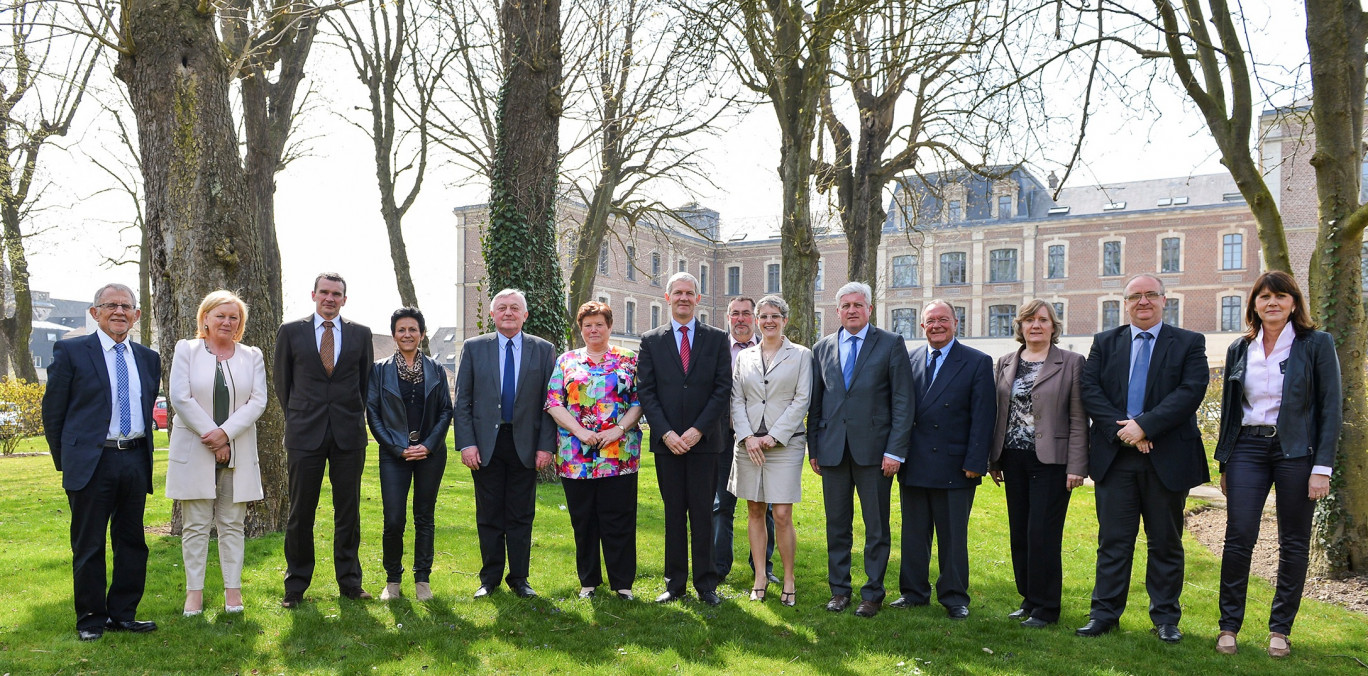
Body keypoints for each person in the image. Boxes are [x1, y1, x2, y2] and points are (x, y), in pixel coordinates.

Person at [1212, 271, 1340, 658]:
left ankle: (1280, 630)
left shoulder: (1316, 344)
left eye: (1280, 297)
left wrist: (1323, 468)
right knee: (1239, 537)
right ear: (1254, 304)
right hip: (1247, 450)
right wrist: (1224, 462)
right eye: (1264, 296)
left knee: (1294, 542)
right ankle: (1228, 626)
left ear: (1294, 303)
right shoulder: (1240, 347)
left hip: (1296, 453)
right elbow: (1231, 411)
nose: (1272, 303)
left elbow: (1330, 409)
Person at [1077, 273, 1209, 643]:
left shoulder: (1188, 343)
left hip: (1166, 458)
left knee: (1165, 542)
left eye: (1151, 294)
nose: (1143, 302)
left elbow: (1189, 392)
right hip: (1115, 458)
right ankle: (1104, 615)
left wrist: (1145, 427)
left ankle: (1166, 618)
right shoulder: (1105, 342)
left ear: (1165, 300)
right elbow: (1091, 389)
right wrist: (1127, 433)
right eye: (1135, 296)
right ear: (1126, 303)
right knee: (1113, 542)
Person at [43, 283, 161, 641]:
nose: (119, 312)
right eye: (110, 305)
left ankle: (123, 614)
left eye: (127, 306)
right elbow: (54, 413)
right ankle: (91, 619)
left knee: (132, 541)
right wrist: (68, 461)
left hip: (134, 458)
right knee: (89, 544)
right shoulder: (72, 351)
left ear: (137, 315)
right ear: (95, 313)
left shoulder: (148, 358)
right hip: (92, 462)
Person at [808, 281, 913, 619]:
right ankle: (839, 591)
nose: (852, 310)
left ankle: (872, 593)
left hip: (875, 454)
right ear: (837, 311)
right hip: (833, 451)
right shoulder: (822, 347)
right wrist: (814, 448)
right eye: (846, 305)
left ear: (870, 308)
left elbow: (902, 400)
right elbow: (817, 402)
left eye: (858, 304)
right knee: (837, 525)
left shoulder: (890, 344)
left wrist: (895, 451)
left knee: (876, 527)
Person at [275, 273, 375, 607]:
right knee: (300, 513)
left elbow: (365, 383)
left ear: (344, 299)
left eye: (337, 294)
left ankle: (349, 582)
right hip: (305, 434)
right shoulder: (291, 332)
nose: (330, 298)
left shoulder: (360, 334)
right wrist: (298, 419)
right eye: (325, 292)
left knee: (348, 512)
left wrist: (350, 415)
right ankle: (296, 586)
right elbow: (282, 384)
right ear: (313, 294)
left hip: (348, 435)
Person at [166, 291, 268, 616]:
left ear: (240, 323)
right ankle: (193, 593)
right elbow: (180, 397)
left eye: (233, 317)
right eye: (220, 315)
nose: (227, 321)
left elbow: (258, 401)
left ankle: (232, 592)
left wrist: (226, 435)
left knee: (232, 524)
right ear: (205, 318)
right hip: (195, 448)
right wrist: (213, 436)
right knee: (195, 525)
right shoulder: (188, 350)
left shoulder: (252, 355)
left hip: (237, 450)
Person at [986, 300, 1088, 628]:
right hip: (1013, 458)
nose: (1036, 325)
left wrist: (1077, 465)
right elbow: (998, 414)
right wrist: (994, 459)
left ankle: (1047, 608)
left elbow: (1078, 416)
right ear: (1020, 326)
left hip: (1052, 462)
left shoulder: (1071, 362)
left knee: (1042, 533)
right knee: (1020, 533)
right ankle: (1029, 599)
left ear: (1053, 327)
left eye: (1043, 320)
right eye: (1029, 320)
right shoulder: (1004, 362)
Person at [894, 300, 995, 621]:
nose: (936, 326)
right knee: (913, 533)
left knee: (953, 536)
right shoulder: (908, 360)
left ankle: (954, 596)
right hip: (914, 462)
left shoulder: (977, 362)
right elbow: (899, 412)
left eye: (942, 320)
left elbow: (984, 416)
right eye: (929, 321)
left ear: (955, 323)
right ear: (921, 327)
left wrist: (976, 461)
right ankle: (913, 592)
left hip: (956, 465)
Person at [454, 288, 557, 599]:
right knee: (488, 514)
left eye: (515, 308)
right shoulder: (474, 348)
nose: (508, 312)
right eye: (502, 308)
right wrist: (466, 444)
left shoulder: (543, 350)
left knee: (521, 514)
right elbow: (463, 402)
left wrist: (546, 446)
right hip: (486, 445)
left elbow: (550, 403)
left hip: (525, 444)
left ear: (525, 315)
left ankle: (520, 579)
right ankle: (490, 579)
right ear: (492, 314)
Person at [637, 272, 733, 606]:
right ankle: (674, 583)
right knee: (674, 513)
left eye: (689, 293)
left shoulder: (717, 338)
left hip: (705, 443)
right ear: (667, 298)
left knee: (704, 513)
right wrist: (666, 432)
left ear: (698, 299)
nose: (683, 298)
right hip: (667, 444)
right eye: (677, 292)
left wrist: (697, 431)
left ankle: (706, 584)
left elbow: (723, 389)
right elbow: (646, 392)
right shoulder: (651, 340)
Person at [544, 301, 644, 600]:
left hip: (619, 454)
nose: (594, 329)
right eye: (588, 325)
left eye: (599, 324)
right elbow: (553, 402)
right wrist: (581, 431)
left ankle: (622, 584)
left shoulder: (628, 359)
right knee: (584, 520)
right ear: (581, 329)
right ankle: (588, 581)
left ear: (609, 326)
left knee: (619, 519)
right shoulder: (566, 361)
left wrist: (618, 429)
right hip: (577, 455)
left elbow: (640, 401)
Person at [366, 307, 453, 602]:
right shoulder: (379, 370)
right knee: (393, 519)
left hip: (430, 453)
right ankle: (392, 581)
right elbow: (373, 414)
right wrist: (396, 448)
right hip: (394, 454)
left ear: (422, 334)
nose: (407, 334)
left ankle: (422, 580)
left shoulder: (437, 369)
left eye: (413, 329)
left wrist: (428, 445)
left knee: (424, 517)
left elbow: (445, 411)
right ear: (394, 335)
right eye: (401, 330)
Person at [729, 295, 811, 606]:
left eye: (775, 316)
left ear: (785, 320)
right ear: (757, 320)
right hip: (749, 445)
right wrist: (747, 436)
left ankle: (789, 578)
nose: (769, 321)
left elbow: (802, 400)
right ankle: (760, 575)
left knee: (782, 513)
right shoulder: (744, 357)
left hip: (785, 444)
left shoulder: (801, 356)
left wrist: (774, 436)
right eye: (763, 316)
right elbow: (736, 400)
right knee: (754, 510)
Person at [714, 296, 776, 585]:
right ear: (728, 318)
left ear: (755, 318)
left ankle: (763, 568)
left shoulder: (768, 350)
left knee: (765, 506)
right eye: (735, 314)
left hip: (761, 439)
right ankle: (718, 568)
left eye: (746, 314)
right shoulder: (716, 349)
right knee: (721, 505)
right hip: (722, 438)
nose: (740, 319)